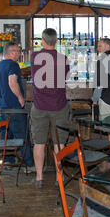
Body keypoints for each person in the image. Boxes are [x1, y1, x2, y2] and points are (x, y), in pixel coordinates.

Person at [30, 28, 70, 189]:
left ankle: (39, 178)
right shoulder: (63, 59)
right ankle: (58, 177)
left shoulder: (34, 57)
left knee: (39, 142)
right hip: (59, 105)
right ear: (57, 41)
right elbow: (65, 77)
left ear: (42, 41)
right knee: (59, 143)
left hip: (39, 105)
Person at [0, 42, 35, 171]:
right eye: (18, 51)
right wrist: (20, 97)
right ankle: (30, 165)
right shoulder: (13, 65)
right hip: (14, 106)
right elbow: (12, 82)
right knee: (22, 136)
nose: (20, 54)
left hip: (2, 107)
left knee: (6, 136)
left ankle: (8, 162)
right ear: (11, 52)